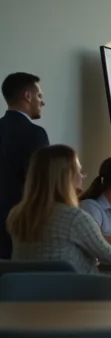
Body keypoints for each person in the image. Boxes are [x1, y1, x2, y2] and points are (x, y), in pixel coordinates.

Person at [8, 145, 111, 273]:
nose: (83, 176)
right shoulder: (75, 218)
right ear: (67, 177)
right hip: (70, 291)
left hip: (24, 291)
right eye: (80, 171)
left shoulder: (17, 215)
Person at [0, 72, 49, 259]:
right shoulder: (34, 134)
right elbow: (42, 183)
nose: (42, 102)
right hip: (24, 226)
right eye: (39, 96)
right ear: (27, 96)